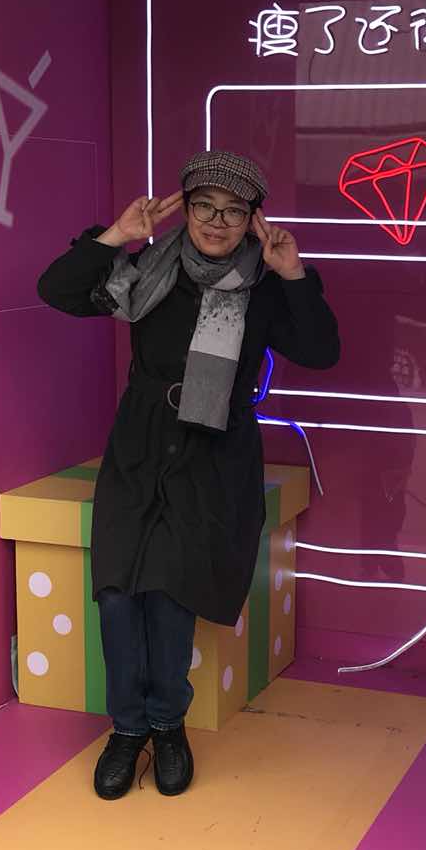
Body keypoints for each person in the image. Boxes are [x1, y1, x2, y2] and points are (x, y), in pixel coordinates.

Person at [37, 150, 340, 800]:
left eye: (233, 212)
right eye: (204, 207)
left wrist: (293, 273)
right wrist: (118, 236)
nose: (216, 222)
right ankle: (127, 729)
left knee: (172, 590)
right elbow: (56, 290)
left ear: (253, 220)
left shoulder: (262, 285)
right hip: (140, 444)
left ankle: (168, 724)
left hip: (214, 453)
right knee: (119, 589)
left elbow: (321, 350)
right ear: (185, 208)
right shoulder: (150, 267)